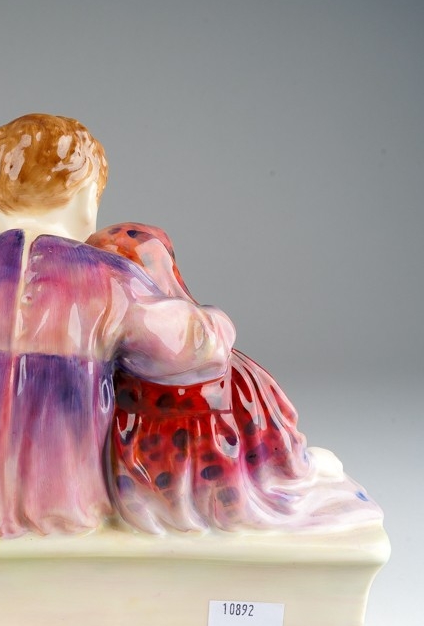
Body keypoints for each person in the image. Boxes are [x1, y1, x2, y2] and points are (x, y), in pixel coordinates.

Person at [0, 114, 237, 537]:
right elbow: (197, 349)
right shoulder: (111, 281)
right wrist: (202, 309)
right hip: (67, 504)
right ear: (86, 200)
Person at [87, 223, 381, 532]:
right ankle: (279, 472)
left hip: (203, 417)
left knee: (252, 474)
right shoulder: (165, 317)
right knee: (237, 486)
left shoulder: (140, 317)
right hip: (188, 423)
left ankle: (283, 470)